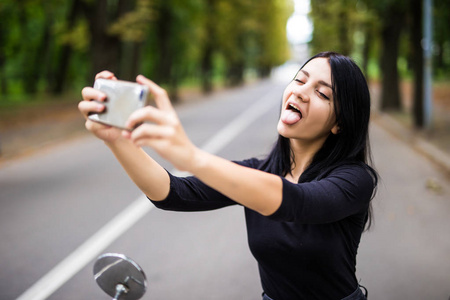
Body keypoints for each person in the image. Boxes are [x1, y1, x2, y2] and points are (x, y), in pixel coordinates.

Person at [79, 51, 377, 300]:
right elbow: (172, 192)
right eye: (299, 80)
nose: (301, 91)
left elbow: (296, 202)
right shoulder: (256, 173)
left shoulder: (355, 180)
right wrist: (116, 139)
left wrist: (192, 156)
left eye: (322, 93)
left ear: (340, 122)